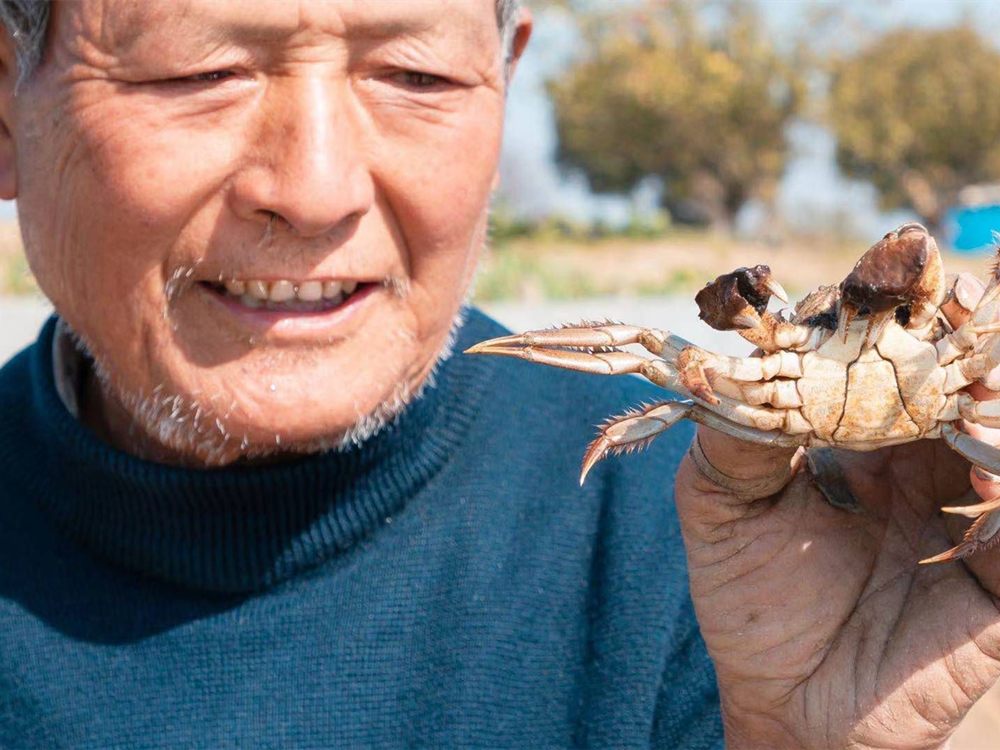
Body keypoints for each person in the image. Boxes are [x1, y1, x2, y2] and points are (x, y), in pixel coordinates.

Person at [0, 1, 994, 748]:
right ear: (7, 108)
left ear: (504, 83)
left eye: (415, 77)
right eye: (197, 73)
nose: (314, 189)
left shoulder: (737, 543)